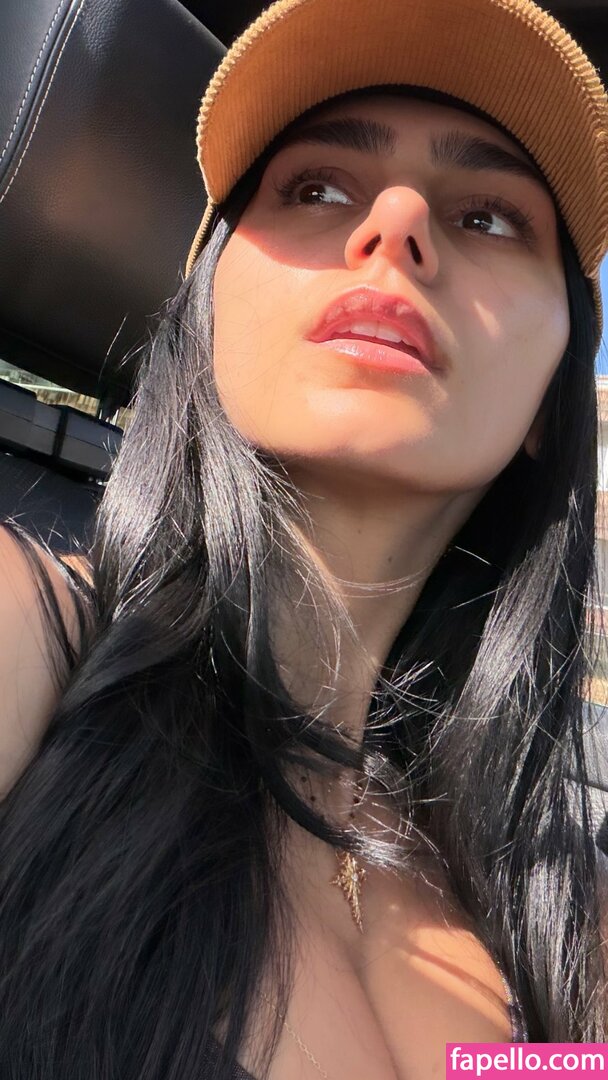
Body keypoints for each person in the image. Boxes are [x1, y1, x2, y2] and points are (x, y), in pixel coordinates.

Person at [0, 0, 607, 1075]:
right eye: (316, 188)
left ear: (551, 399)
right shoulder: (34, 633)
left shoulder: (547, 898)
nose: (397, 224)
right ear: (207, 310)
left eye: (487, 216)